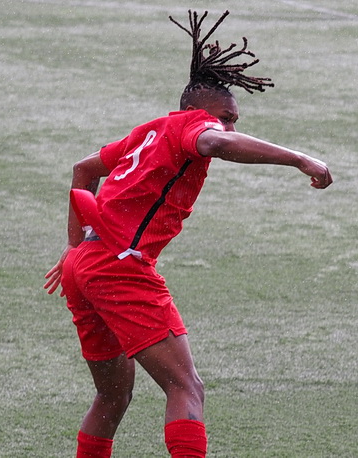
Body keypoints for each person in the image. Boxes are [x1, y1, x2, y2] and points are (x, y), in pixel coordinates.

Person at [43, 10, 332, 458]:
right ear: (201, 112)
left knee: (112, 397)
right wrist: (299, 158)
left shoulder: (150, 131)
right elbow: (216, 143)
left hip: (85, 267)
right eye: (227, 117)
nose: (229, 127)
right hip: (118, 267)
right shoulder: (194, 128)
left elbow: (83, 170)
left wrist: (72, 248)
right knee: (186, 386)